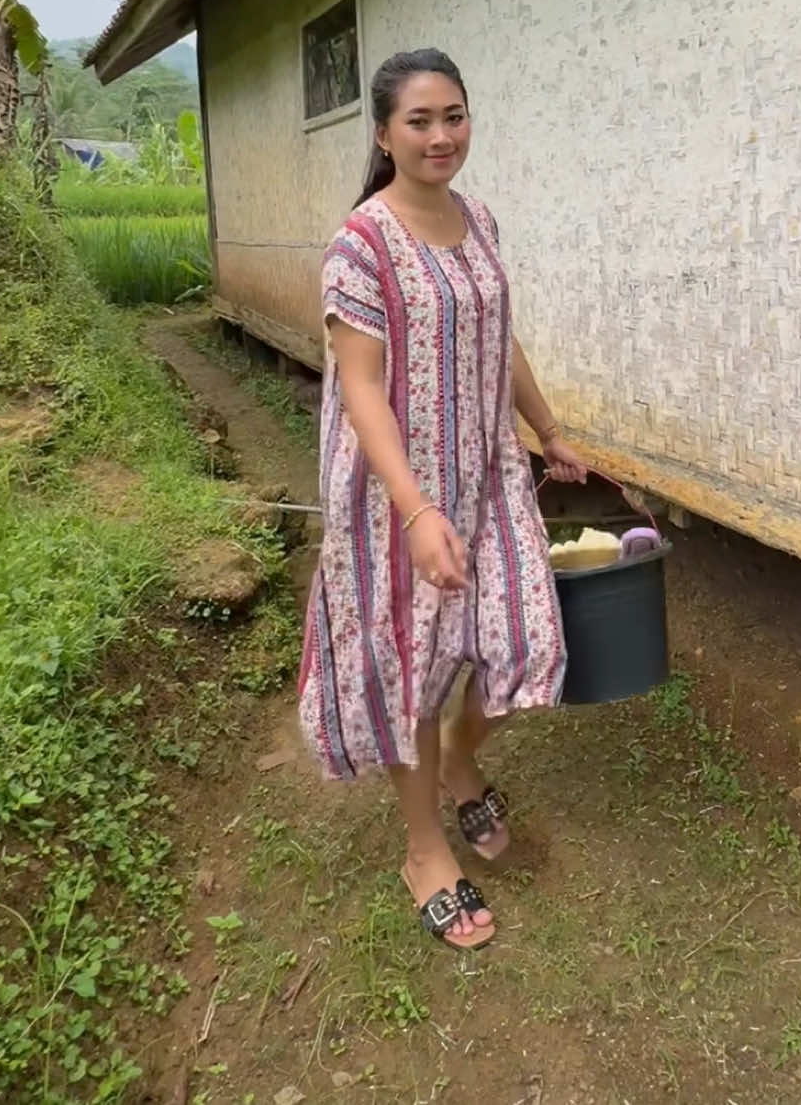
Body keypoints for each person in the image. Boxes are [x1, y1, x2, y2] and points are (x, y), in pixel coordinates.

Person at [298, 48, 587, 951]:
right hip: (395, 494)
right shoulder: (361, 243)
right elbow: (360, 389)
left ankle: (462, 761)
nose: (440, 135)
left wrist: (548, 428)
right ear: (384, 133)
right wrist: (416, 511)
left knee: (528, 638)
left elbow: (500, 340)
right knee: (412, 671)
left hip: (489, 473)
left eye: (453, 115)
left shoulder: (481, 218)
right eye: (419, 120)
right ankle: (424, 848)